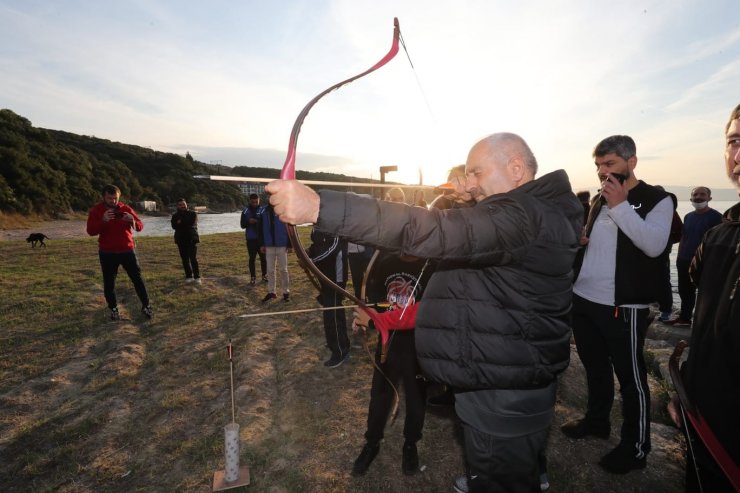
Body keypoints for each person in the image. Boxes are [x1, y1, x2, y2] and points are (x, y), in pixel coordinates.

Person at [267, 132, 583, 492]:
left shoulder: (523, 216)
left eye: (477, 172)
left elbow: (435, 231)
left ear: (515, 168)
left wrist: (320, 208)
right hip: (503, 379)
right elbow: (485, 248)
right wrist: (470, 198)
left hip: (503, 394)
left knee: (503, 479)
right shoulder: (532, 213)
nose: (471, 182)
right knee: (498, 471)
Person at [562, 135, 673, 474]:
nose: (602, 172)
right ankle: (597, 422)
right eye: (598, 166)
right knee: (595, 368)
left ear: (632, 162)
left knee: (632, 378)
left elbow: (654, 246)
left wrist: (621, 206)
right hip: (584, 299)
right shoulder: (599, 198)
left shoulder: (658, 199)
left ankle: (636, 448)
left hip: (623, 307)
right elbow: (601, 244)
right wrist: (582, 241)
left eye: (609, 164)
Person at [667, 104, 740, 492]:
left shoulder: (715, 223)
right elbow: (711, 333)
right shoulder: (722, 234)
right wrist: (689, 394)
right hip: (706, 432)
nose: (739, 155)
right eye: (734, 141)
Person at [350, 253, 432, 477]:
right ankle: (372, 443)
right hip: (388, 344)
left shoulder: (431, 265)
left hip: (418, 347)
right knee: (380, 395)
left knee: (416, 399)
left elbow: (429, 311)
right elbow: (374, 301)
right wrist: (365, 316)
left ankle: (410, 444)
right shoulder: (386, 262)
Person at [86, 184, 153, 320]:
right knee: (109, 282)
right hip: (107, 252)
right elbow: (91, 231)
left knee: (137, 279)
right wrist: (103, 220)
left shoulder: (126, 209)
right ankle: (114, 309)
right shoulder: (96, 211)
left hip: (127, 250)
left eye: (115, 198)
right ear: (104, 197)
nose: (113, 201)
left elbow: (139, 227)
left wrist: (132, 221)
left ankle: (146, 306)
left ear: (119, 197)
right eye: (110, 198)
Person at [665, 186, 723, 327]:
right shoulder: (688, 216)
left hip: (704, 262)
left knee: (706, 293)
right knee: (685, 291)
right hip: (684, 260)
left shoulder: (717, 217)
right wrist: (679, 256)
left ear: (709, 198)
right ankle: (685, 318)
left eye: (702, 194)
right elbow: (684, 237)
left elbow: (719, 241)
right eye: (695, 194)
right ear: (691, 198)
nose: (698, 197)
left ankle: (704, 322)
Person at [308, 229, 350, 368]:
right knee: (332, 309)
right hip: (324, 274)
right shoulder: (319, 222)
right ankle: (339, 342)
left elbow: (333, 248)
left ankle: (340, 351)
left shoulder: (335, 223)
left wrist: (310, 261)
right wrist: (308, 253)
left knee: (332, 312)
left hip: (335, 277)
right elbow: (317, 244)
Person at [654, 186, 683, 322]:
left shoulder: (669, 211)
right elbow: (679, 232)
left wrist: (668, 242)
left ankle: (665, 310)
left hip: (661, 252)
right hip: (658, 251)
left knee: (663, 280)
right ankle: (662, 309)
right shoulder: (669, 210)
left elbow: (679, 231)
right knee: (661, 280)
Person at [259, 203, 291, 303]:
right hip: (269, 245)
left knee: (283, 269)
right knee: (270, 270)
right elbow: (259, 229)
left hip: (282, 244)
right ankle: (271, 292)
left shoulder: (284, 210)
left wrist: (290, 244)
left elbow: (290, 227)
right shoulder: (263, 211)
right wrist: (261, 244)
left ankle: (286, 292)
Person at [171, 198, 201, 283]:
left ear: (186, 204)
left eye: (183, 204)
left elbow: (191, 224)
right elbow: (174, 226)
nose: (182, 206)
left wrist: (180, 222)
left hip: (191, 238)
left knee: (193, 258)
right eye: (180, 205)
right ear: (177, 206)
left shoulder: (193, 213)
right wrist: (179, 223)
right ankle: (188, 276)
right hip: (180, 239)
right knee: (184, 259)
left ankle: (197, 277)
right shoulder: (175, 215)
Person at [240, 193, 267, 285]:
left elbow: (266, 223)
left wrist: (257, 221)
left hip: (262, 239)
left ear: (259, 200)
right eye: (253, 202)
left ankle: (265, 275)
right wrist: (249, 222)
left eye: (256, 202)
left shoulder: (263, 210)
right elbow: (242, 225)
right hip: (251, 239)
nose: (255, 203)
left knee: (263, 258)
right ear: (249, 201)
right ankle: (253, 277)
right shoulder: (245, 211)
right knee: (252, 258)